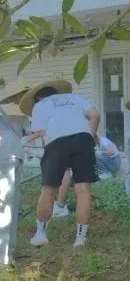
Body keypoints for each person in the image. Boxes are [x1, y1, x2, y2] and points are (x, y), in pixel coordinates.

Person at [19, 80, 100, 247]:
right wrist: (91, 137)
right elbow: (95, 115)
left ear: (37, 98)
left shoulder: (39, 106)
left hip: (56, 142)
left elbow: (43, 133)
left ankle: (40, 235)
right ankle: (80, 239)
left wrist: (48, 156)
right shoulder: (74, 98)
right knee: (83, 189)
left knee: (49, 190)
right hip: (83, 138)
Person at [51, 134, 120, 219]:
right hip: (109, 162)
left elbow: (111, 152)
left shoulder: (103, 142)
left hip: (115, 162)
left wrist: (100, 152)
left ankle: (105, 174)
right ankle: (64, 205)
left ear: (95, 138)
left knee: (96, 156)